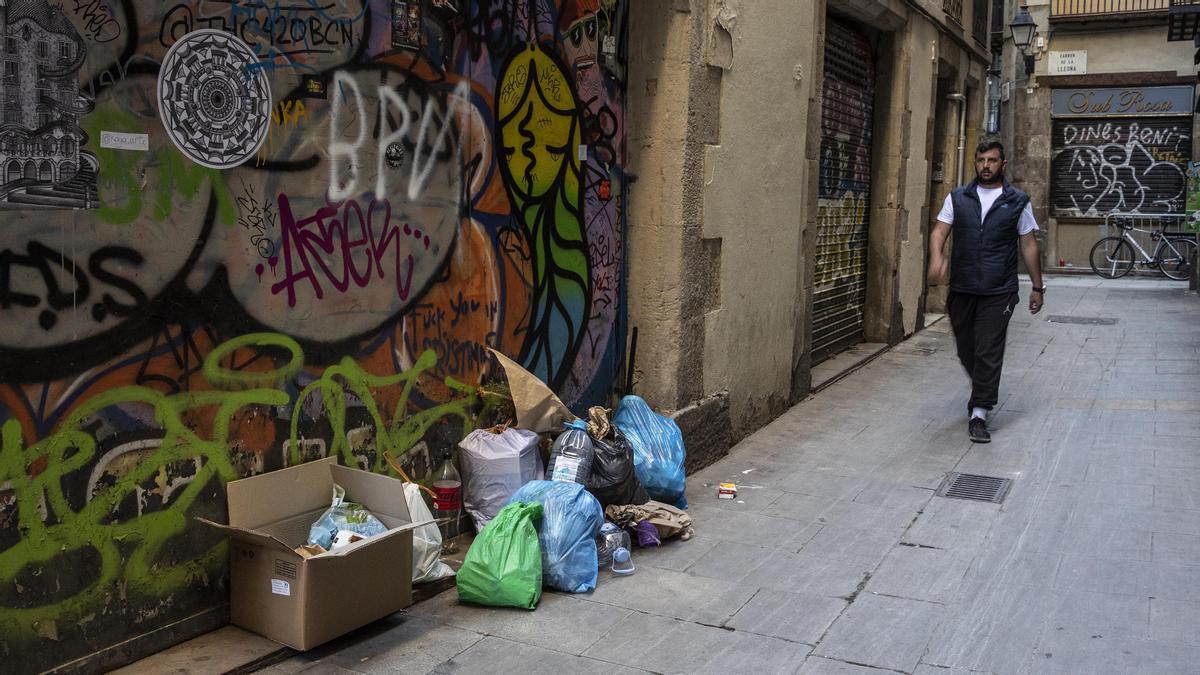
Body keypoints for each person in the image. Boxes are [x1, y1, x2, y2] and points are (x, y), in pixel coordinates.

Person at [927, 140, 1045, 443]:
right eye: (981, 160)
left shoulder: (1017, 201)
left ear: (1002, 164)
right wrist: (937, 256)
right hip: (963, 286)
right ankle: (982, 387)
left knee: (988, 349)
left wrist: (1037, 286)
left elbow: (1029, 244)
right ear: (975, 162)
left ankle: (979, 410)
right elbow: (940, 229)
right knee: (967, 349)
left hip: (999, 290)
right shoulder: (958, 197)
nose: (986, 166)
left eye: (992, 160)